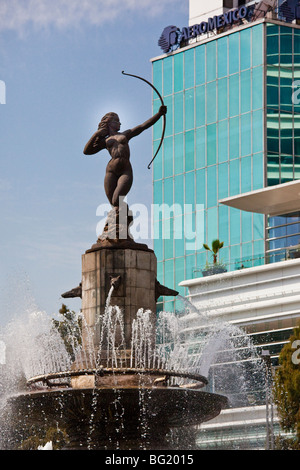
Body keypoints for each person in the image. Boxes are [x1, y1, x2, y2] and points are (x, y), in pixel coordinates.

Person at [83, 106, 167, 207]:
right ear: (109, 123)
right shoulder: (105, 141)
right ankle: (121, 219)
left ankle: (125, 216)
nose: (120, 123)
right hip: (111, 170)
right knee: (114, 205)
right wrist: (97, 134)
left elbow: (142, 126)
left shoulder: (125, 134)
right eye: (117, 121)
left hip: (125, 169)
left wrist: (159, 114)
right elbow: (87, 151)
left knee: (116, 200)